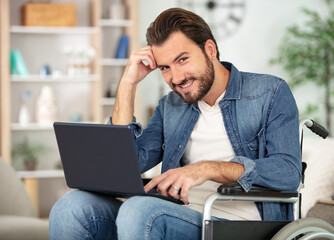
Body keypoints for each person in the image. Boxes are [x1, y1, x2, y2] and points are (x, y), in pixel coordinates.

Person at [49, 8, 301, 240]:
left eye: (182, 60)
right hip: (176, 214)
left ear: (210, 49)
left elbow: (288, 172)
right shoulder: (171, 105)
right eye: (165, 67)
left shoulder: (270, 92)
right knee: (71, 206)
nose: (176, 78)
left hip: (239, 225)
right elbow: (126, 165)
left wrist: (205, 169)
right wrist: (128, 84)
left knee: (139, 211)